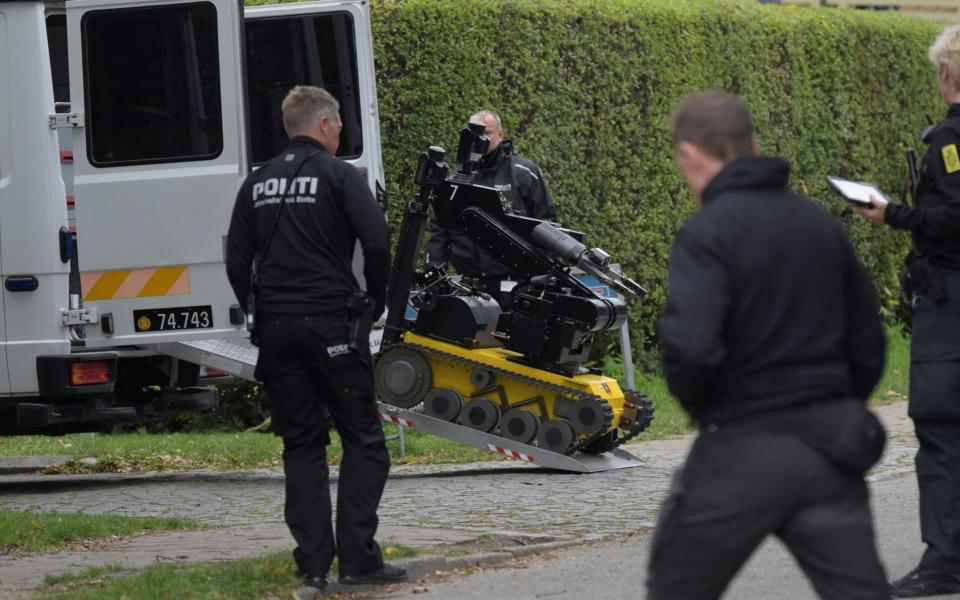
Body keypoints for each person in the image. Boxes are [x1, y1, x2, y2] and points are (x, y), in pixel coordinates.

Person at [648, 91, 888, 600]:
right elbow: (868, 343)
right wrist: (836, 403)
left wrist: (707, 408)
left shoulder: (707, 234)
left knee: (677, 587)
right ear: (753, 145)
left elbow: (691, 348)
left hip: (740, 449)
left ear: (690, 154)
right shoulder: (820, 226)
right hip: (829, 448)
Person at [225, 85, 405, 592]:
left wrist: (257, 305)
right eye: (341, 124)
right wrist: (374, 299)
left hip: (277, 331)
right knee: (364, 439)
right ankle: (358, 560)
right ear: (324, 125)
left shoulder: (255, 183)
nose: (341, 132)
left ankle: (313, 564)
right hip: (331, 324)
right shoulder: (339, 175)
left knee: (301, 444)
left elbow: (237, 257)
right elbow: (375, 239)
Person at [854, 24, 960, 598]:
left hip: (952, 300)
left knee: (942, 425)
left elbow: (953, 218)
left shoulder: (950, 141)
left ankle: (945, 560)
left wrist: (891, 214)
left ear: (946, 74)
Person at [425, 109, 556, 301]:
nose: (480, 140)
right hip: (471, 286)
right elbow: (440, 231)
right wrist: (434, 275)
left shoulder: (524, 173)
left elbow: (547, 225)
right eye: (473, 134)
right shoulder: (455, 179)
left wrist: (540, 276)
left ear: (500, 135)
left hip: (518, 285)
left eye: (486, 133)